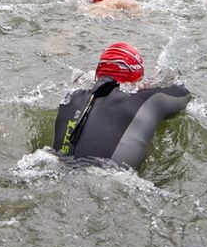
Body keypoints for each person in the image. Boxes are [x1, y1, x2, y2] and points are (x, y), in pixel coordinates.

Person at [52, 42, 191, 169]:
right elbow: (184, 94)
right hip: (106, 184)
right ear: (136, 77)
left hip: (57, 171)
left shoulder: (71, 96)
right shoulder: (147, 99)